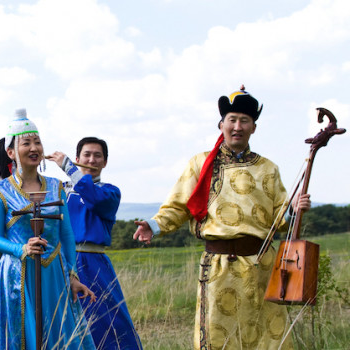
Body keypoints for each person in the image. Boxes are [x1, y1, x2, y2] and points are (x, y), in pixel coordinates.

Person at [133, 86, 311, 349]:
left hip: (263, 266)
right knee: (220, 339)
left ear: (253, 127)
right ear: (222, 124)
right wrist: (154, 225)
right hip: (220, 268)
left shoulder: (268, 169)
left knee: (268, 337)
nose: (237, 126)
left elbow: (279, 219)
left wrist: (293, 208)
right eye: (232, 120)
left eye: (244, 120)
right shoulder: (201, 163)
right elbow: (180, 205)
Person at [0, 109, 97, 350]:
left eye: (37, 141)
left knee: (61, 335)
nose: (34, 147)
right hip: (18, 273)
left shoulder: (56, 187)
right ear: (11, 152)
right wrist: (21, 248)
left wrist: (72, 275)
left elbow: (66, 235)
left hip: (55, 273)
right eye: (26, 143)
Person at [48, 137, 142, 350]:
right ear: (78, 158)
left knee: (106, 319)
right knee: (60, 319)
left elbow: (95, 199)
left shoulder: (110, 192)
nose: (91, 160)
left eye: (97, 155)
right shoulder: (59, 190)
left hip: (93, 264)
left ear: (105, 162)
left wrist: (69, 168)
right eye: (87, 155)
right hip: (60, 262)